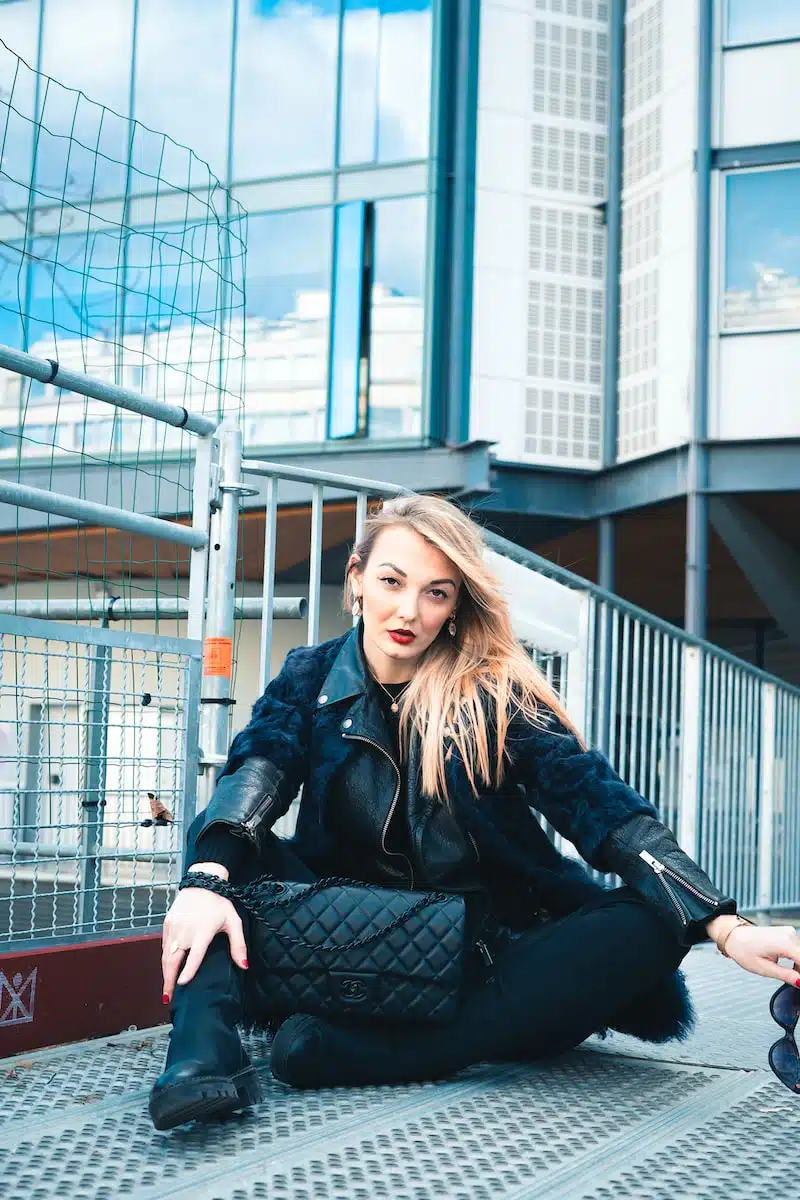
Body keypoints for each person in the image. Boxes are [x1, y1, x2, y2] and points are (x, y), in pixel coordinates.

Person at [149, 494, 800, 1131]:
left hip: (480, 961)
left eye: (436, 592)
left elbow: (600, 804)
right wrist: (207, 879)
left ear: (456, 605)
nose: (409, 610)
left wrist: (725, 927)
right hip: (339, 941)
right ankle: (203, 1050)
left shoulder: (495, 695)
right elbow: (261, 765)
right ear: (357, 579)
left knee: (652, 925)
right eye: (392, 581)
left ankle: (396, 1050)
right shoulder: (310, 675)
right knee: (222, 836)